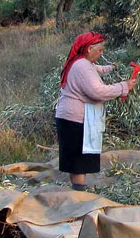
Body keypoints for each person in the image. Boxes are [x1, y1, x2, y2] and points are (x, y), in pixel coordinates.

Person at [55, 32, 135, 191]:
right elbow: (97, 92)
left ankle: (76, 191)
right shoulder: (82, 66)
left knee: (75, 159)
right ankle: (79, 195)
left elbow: (97, 69)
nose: (101, 53)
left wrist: (112, 68)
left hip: (69, 117)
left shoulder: (80, 62)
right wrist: (123, 87)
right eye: (99, 50)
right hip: (74, 120)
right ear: (89, 49)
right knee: (79, 161)